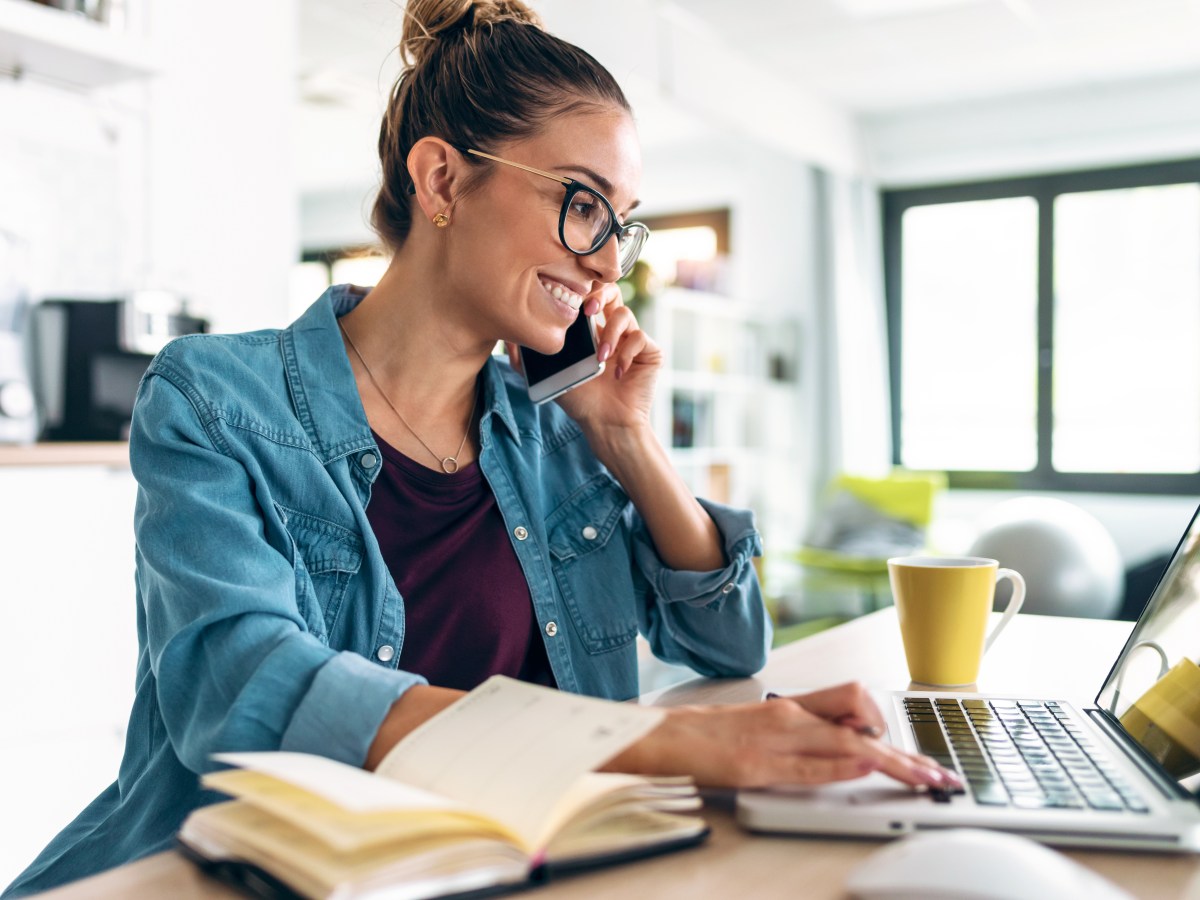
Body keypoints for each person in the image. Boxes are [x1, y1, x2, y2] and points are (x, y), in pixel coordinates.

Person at [3, 1, 956, 895]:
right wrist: (658, 745)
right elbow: (244, 695)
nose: (607, 261)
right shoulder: (214, 401)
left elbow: (728, 638)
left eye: (621, 223)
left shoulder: (558, 426)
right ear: (442, 180)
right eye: (582, 204)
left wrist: (625, 439)